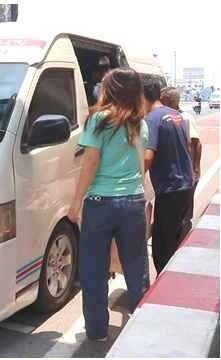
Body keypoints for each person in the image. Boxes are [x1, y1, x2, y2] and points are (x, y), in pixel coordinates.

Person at [68, 68, 149, 342]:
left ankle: (98, 333)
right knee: (136, 268)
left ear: (109, 89)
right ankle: (142, 327)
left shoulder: (99, 120)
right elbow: (141, 165)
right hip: (133, 203)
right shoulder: (140, 123)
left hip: (100, 203)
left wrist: (75, 202)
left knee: (93, 270)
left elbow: (90, 162)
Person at [144, 78, 195, 273]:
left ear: (144, 97)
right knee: (176, 236)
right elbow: (187, 145)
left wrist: (134, 179)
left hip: (170, 188)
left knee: (161, 244)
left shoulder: (152, 119)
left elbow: (148, 156)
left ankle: (164, 287)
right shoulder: (177, 115)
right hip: (186, 184)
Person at [159, 86, 202, 237]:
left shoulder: (185, 117)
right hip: (173, 173)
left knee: (184, 216)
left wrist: (196, 168)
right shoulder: (164, 117)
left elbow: (197, 143)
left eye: (162, 101)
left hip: (186, 173)